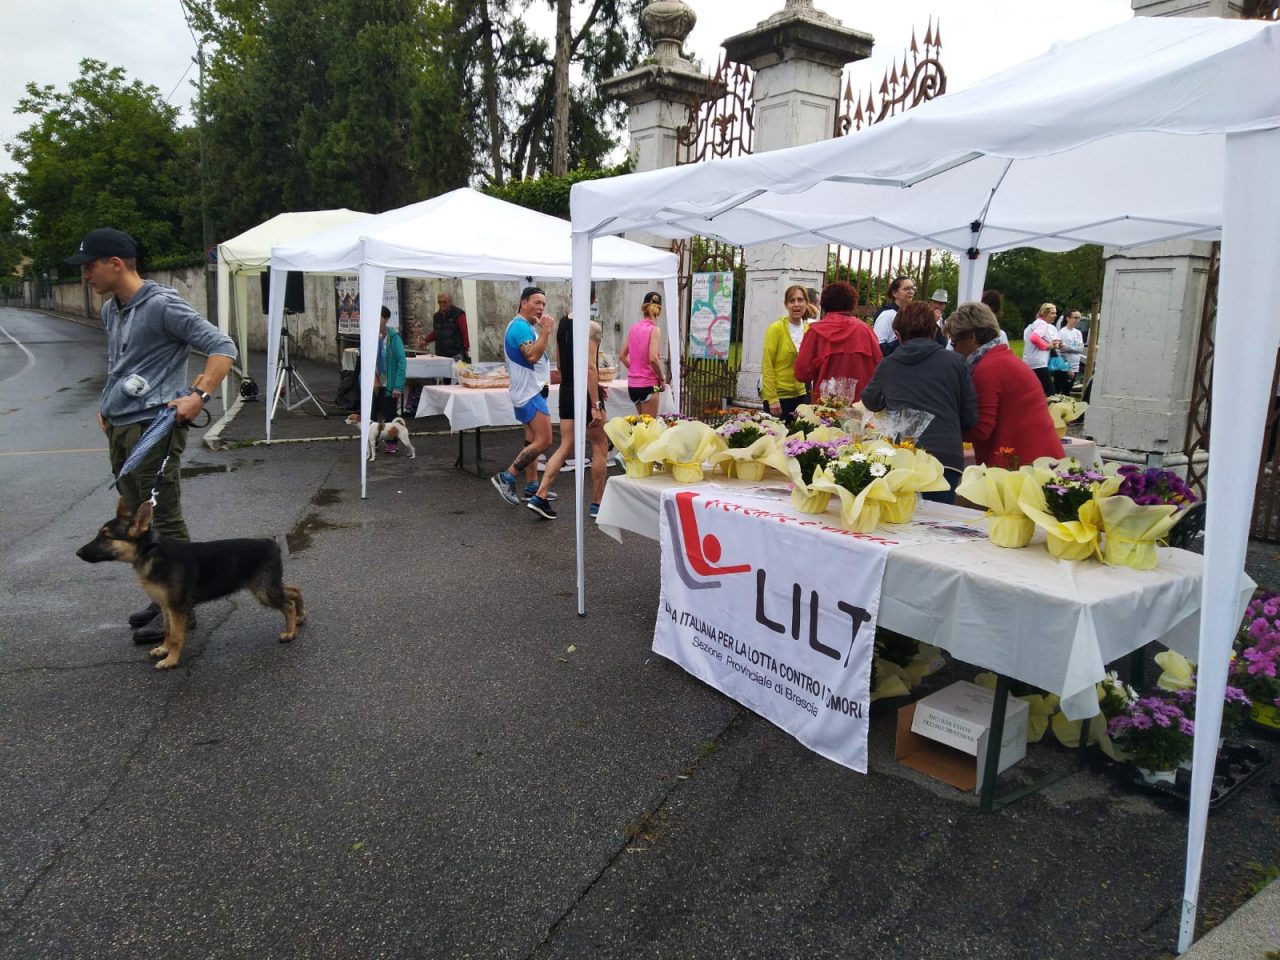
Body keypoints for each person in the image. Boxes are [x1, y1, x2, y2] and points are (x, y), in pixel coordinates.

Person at [67, 227, 237, 645]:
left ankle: (180, 606)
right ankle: (162, 594)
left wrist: (199, 395)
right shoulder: (112, 310)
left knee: (162, 515)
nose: (85, 275)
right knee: (131, 512)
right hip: (121, 427)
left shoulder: (162, 305)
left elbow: (223, 346)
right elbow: (120, 365)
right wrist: (108, 406)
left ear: (115, 264)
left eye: (89, 266)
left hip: (153, 428)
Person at [861, 302, 977, 503]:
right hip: (945, 455)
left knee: (902, 520)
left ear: (898, 334)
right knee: (937, 522)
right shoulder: (956, 362)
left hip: (905, 454)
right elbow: (970, 415)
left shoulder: (888, 364)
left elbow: (870, 401)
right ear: (934, 330)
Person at [945, 302, 1064, 468]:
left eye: (954, 342)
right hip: (1039, 458)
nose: (954, 350)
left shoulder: (987, 369)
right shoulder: (1002, 359)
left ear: (971, 337)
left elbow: (981, 430)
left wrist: (940, 427)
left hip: (1022, 464)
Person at [527, 312, 610, 520]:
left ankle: (541, 494)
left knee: (565, 445)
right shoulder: (592, 327)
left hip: (567, 389)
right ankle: (597, 503)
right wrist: (595, 403)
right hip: (585, 393)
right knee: (600, 446)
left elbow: (561, 365)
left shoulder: (562, 323)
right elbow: (590, 368)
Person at [491, 287, 555, 506]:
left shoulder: (525, 326)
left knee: (532, 440)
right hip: (529, 392)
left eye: (543, 304)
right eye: (536, 302)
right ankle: (507, 476)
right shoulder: (520, 326)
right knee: (545, 440)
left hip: (529, 390)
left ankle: (531, 486)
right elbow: (532, 356)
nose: (541, 308)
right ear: (523, 303)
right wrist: (546, 330)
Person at [793, 281, 882, 402]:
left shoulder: (815, 332)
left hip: (826, 406)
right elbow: (879, 367)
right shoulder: (865, 330)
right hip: (860, 404)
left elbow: (801, 373)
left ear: (824, 304)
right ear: (852, 303)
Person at [760, 285, 811, 419]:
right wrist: (772, 398)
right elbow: (767, 365)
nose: (796, 304)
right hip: (778, 398)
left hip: (801, 396)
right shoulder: (776, 329)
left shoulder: (808, 330)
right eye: (792, 300)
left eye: (800, 300)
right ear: (786, 305)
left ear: (806, 303)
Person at [618, 291, 666, 416]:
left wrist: (634, 368)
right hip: (649, 385)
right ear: (658, 311)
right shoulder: (654, 330)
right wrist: (661, 378)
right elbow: (653, 358)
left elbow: (622, 356)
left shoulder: (634, 328)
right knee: (649, 430)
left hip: (633, 386)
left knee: (642, 427)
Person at [374, 306, 406, 447]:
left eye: (379, 317)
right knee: (371, 414)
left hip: (389, 384)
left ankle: (392, 443)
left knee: (389, 415)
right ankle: (372, 442)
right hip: (374, 383)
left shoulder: (394, 338)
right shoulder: (370, 337)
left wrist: (398, 386)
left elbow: (401, 362)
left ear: (386, 319)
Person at [1022, 302, 1061, 396]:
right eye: (1052, 313)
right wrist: (1048, 346)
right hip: (1038, 364)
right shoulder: (1043, 325)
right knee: (1050, 392)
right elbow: (1034, 338)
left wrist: (1054, 343)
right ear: (1044, 313)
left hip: (1031, 362)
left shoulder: (1037, 324)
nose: (1055, 315)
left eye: (1055, 313)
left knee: (1034, 392)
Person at [420, 290, 470, 362]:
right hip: (441, 355)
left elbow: (465, 332)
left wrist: (465, 350)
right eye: (439, 302)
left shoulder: (458, 314)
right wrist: (426, 340)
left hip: (456, 355)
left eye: (444, 302)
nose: (442, 304)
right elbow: (437, 332)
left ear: (450, 302)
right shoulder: (437, 316)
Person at [871, 276, 916, 355]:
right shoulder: (887, 315)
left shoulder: (909, 314)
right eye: (906, 289)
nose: (911, 291)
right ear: (895, 293)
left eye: (912, 288)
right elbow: (878, 345)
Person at [1056, 309, 1086, 392]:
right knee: (1060, 390)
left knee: (1068, 390)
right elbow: (1060, 351)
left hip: (1076, 366)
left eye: (1079, 318)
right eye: (1075, 317)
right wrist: (1068, 368)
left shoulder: (1078, 332)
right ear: (1068, 318)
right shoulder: (1062, 332)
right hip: (1065, 367)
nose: (1077, 320)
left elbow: (1080, 348)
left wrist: (1068, 348)